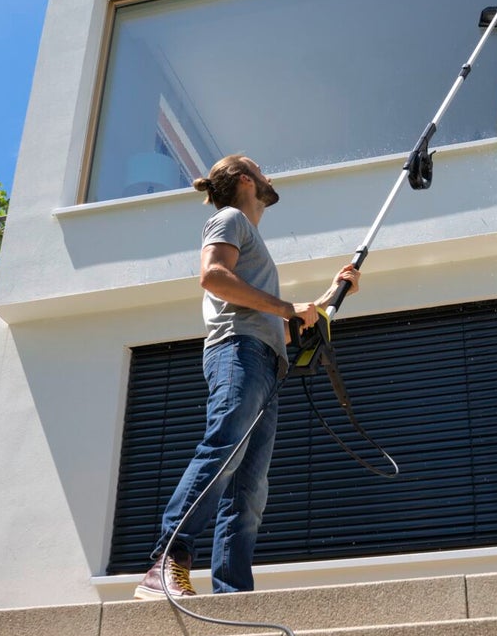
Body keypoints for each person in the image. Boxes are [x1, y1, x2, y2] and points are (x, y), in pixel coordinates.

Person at [134, 154, 360, 600]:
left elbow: (293, 321)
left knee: (249, 490)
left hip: (265, 360)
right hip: (238, 352)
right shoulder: (231, 218)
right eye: (261, 170)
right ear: (245, 181)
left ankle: (232, 595)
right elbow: (214, 276)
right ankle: (165, 565)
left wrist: (335, 292)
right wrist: (285, 308)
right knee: (224, 449)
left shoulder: (251, 239)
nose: (270, 176)